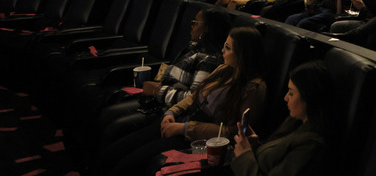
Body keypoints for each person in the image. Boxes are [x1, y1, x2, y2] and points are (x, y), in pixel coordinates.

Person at [104, 26, 267, 176]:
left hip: (199, 139)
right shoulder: (224, 69)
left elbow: (236, 132)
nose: (222, 50)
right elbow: (194, 96)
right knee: (115, 150)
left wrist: (184, 128)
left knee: (128, 165)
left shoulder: (254, 88)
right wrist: (172, 111)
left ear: (243, 53)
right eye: (224, 45)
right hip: (182, 121)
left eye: (228, 48)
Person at [96, 9, 230, 145]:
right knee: (107, 114)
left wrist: (158, 91)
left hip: (171, 111)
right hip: (162, 103)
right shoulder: (193, 47)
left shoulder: (209, 60)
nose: (191, 26)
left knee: (114, 127)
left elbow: (195, 98)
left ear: (207, 28)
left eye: (195, 23)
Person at [232, 61, 336, 176]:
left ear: (309, 98)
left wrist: (244, 156)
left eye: (291, 93)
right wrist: (255, 146)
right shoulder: (296, 122)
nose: (285, 98)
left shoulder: (311, 146)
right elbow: (273, 161)